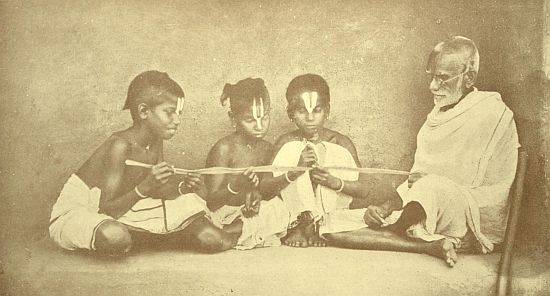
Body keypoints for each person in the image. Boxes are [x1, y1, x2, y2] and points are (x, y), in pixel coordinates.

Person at [326, 36, 519, 267]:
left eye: (443, 78)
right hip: (427, 205)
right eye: (432, 77)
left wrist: (425, 183)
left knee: (430, 186)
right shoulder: (435, 118)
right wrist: (384, 208)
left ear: (469, 78)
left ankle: (394, 234)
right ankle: (425, 244)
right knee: (330, 224)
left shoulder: (490, 111)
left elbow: (463, 183)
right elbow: (414, 181)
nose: (433, 86)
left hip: (472, 214)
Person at [49, 70, 237, 256]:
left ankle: (143, 238)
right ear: (144, 111)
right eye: (170, 113)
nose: (177, 121)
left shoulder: (155, 139)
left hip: (129, 205)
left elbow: (158, 190)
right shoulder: (120, 146)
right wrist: (145, 187)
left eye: (179, 113)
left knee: (210, 236)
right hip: (86, 209)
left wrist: (182, 188)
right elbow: (105, 209)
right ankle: (144, 238)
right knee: (115, 236)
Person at [259, 73, 393, 248]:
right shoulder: (285, 142)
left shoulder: (340, 143)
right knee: (292, 151)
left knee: (346, 225)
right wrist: (294, 171)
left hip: (334, 214)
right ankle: (300, 225)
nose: (310, 118)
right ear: (291, 113)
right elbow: (265, 188)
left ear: (327, 111)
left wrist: (334, 182)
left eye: (316, 110)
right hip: (292, 214)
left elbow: (363, 189)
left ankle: (318, 225)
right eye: (302, 111)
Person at [204, 78, 289, 249]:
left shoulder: (269, 149)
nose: (259, 126)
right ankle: (231, 231)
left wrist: (256, 196)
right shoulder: (224, 149)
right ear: (233, 118)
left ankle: (234, 233)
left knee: (278, 208)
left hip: (253, 213)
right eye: (250, 120)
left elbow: (269, 191)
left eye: (264, 118)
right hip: (225, 212)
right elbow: (212, 201)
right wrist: (235, 187)